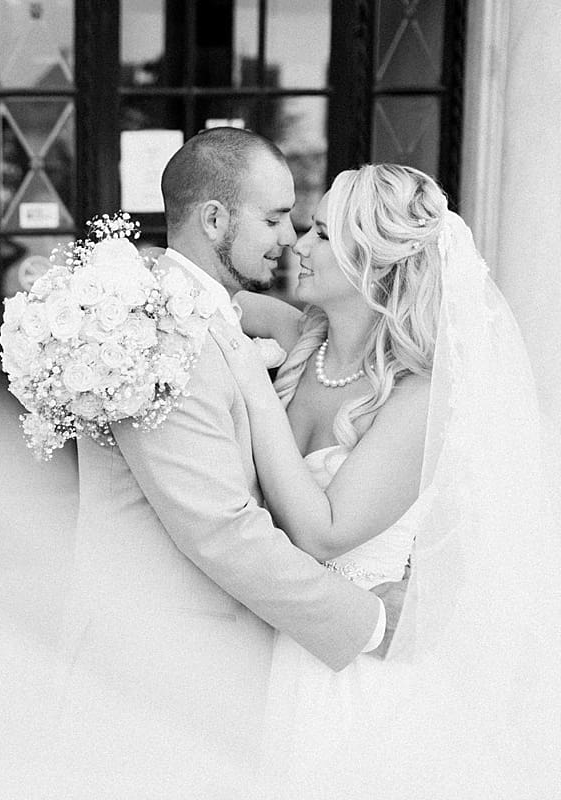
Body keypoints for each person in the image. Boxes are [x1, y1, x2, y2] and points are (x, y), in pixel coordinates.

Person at [57, 128, 404, 794]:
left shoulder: (193, 309)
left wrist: (285, 320)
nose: (289, 238)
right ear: (215, 219)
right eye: (273, 219)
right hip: (158, 674)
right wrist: (368, 622)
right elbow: (221, 529)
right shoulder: (160, 332)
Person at [212, 163, 561, 796]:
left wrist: (251, 386)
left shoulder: (418, 395)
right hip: (270, 644)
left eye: (323, 234)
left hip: (357, 674)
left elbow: (324, 533)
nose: (299, 245)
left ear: (375, 262)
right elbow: (204, 298)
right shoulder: (303, 340)